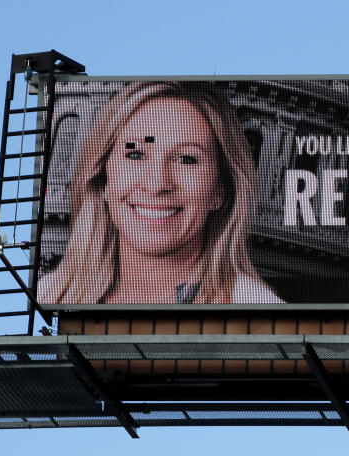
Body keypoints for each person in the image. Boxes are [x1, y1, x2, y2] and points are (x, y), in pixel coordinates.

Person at [40, 81, 283, 304]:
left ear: (220, 191)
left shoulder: (261, 313)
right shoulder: (46, 298)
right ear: (103, 179)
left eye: (187, 159)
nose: (156, 184)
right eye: (135, 155)